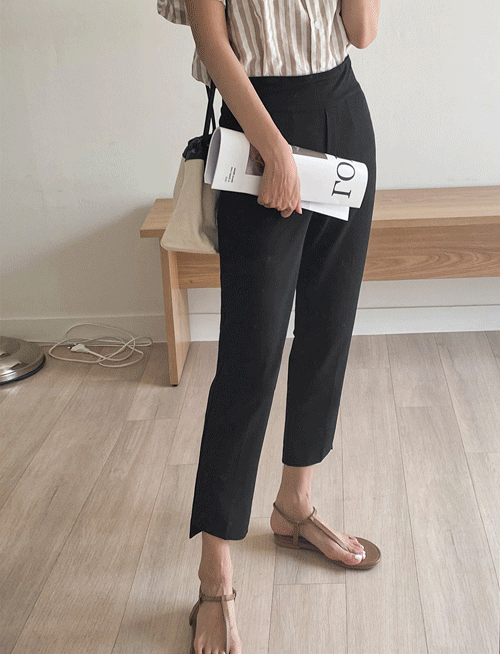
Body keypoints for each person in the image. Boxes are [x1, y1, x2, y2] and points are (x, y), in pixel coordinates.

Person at [180, 0, 382, 651]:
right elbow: (214, 45)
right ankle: (214, 576)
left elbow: (362, 34)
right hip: (257, 130)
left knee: (327, 330)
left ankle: (295, 505)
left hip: (343, 116)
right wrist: (277, 153)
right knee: (250, 359)